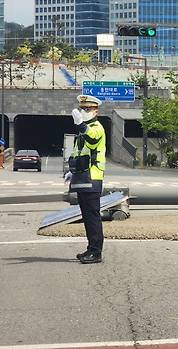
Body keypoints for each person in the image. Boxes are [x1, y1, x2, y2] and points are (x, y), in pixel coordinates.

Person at [69, 95, 106, 264]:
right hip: (82, 177)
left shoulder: (96, 127)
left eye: (87, 109)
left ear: (96, 111)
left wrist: (81, 124)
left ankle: (96, 252)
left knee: (92, 215)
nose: (84, 112)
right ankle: (91, 248)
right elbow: (79, 152)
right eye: (82, 109)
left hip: (93, 177)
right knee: (87, 215)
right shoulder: (84, 129)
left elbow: (91, 141)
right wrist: (71, 170)